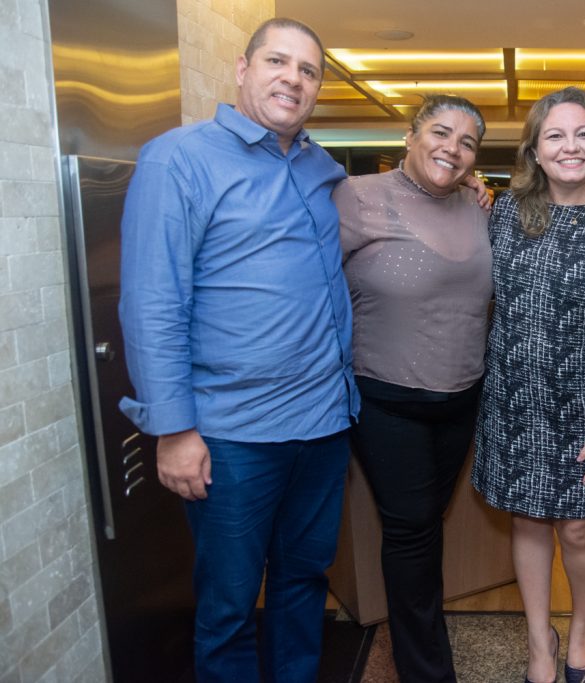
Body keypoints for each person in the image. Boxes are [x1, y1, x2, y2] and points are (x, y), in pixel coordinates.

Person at [118, 18, 359, 682]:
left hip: (322, 426)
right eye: (278, 61)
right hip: (231, 436)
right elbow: (151, 302)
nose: (293, 78)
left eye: (308, 70)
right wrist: (173, 429)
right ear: (242, 67)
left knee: (302, 585)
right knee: (227, 607)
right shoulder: (179, 158)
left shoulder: (319, 168)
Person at [472, 86, 585, 683]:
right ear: (535, 148)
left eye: (583, 134)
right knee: (527, 520)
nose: (570, 146)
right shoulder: (505, 212)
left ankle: (579, 630)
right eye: (555, 135)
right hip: (515, 399)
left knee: (578, 526)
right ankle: (537, 643)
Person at [331, 94, 492, 682]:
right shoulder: (357, 197)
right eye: (441, 133)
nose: (452, 148)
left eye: (467, 142)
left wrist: (476, 187)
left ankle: (422, 648)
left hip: (460, 398)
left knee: (425, 525)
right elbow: (314, 285)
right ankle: (427, 670)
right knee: (411, 530)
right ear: (410, 135)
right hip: (384, 398)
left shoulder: (478, 208)